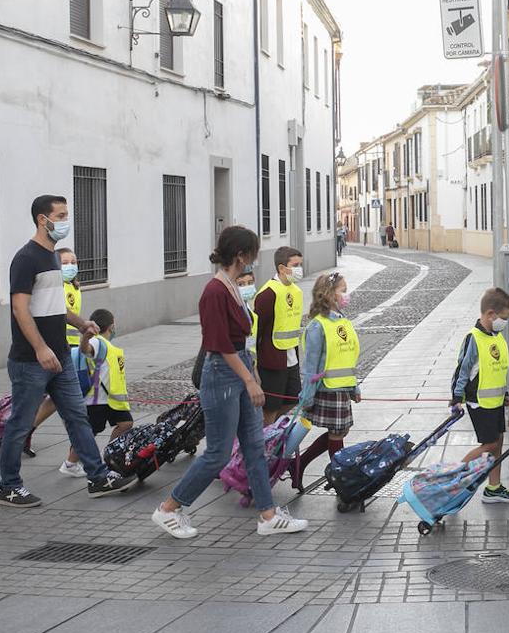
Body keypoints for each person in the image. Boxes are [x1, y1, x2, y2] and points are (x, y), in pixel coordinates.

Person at [152, 226, 307, 539]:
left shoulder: (233, 286)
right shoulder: (215, 291)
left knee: (253, 445)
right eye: (252, 253)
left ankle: (267, 514)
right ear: (241, 255)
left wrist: (252, 373)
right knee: (218, 453)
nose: (255, 259)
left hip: (237, 368)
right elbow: (219, 344)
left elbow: (240, 339)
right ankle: (169, 509)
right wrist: (249, 380)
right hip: (222, 374)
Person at [0, 196, 136, 507]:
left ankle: (97, 477)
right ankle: (8, 485)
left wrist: (81, 323)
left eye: (65, 215)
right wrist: (40, 348)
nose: (65, 221)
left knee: (77, 417)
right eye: (60, 216)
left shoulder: (52, 258)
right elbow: (21, 309)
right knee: (20, 423)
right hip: (30, 360)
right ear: (42, 220)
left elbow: (55, 307)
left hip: (60, 356)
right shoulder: (26, 258)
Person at [288, 271, 361, 490]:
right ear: (329, 294)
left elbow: (347, 357)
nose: (346, 295)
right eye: (343, 291)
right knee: (337, 433)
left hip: (341, 387)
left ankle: (297, 466)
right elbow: (310, 367)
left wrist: (353, 387)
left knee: (339, 432)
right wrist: (307, 397)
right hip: (327, 389)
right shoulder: (317, 326)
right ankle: (342, 481)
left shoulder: (342, 321)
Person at [449, 287, 509, 503]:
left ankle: (494, 488)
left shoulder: (497, 337)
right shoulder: (474, 338)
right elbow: (462, 370)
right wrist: (456, 398)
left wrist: (505, 394)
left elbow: (497, 369)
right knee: (489, 445)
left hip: (496, 401)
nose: (505, 323)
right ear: (491, 314)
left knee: (497, 443)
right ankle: (452, 481)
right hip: (479, 402)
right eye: (504, 318)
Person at [59, 309, 134, 478]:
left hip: (111, 400)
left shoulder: (107, 345)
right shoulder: (98, 342)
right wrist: (85, 337)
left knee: (125, 423)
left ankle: (108, 456)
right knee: (87, 433)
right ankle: (70, 463)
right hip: (97, 399)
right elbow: (85, 350)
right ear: (112, 325)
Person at [26, 247, 83, 454]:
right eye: (65, 262)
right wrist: (83, 325)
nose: (70, 266)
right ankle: (22, 431)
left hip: (70, 350)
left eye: (73, 262)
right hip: (58, 349)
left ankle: (26, 431)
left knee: (61, 399)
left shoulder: (74, 287)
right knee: (60, 399)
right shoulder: (58, 287)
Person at [253, 247, 305, 425]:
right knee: (271, 406)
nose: (299, 269)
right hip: (271, 359)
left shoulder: (297, 291)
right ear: (282, 268)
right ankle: (264, 443)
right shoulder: (268, 294)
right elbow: (257, 330)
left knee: (292, 399)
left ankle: (272, 429)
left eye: (300, 264)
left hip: (291, 356)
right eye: (295, 265)